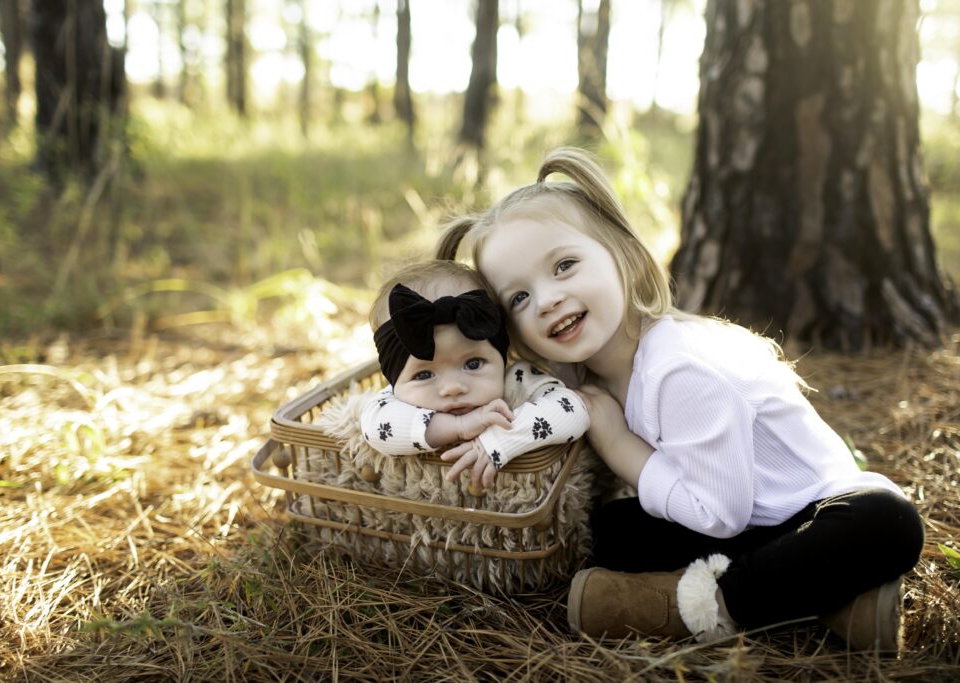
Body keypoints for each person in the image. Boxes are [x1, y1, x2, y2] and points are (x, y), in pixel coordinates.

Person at [434, 148, 924, 651]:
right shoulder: (589, 371)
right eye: (519, 298)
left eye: (564, 265)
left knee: (890, 519)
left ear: (620, 254)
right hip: (748, 524)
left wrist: (619, 444)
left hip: (813, 512)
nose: (547, 299)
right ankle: (839, 605)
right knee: (614, 532)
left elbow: (721, 515)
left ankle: (694, 606)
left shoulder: (679, 369)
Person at [361, 259, 589, 490]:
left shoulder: (515, 381)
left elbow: (574, 410)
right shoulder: (396, 403)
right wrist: (458, 426)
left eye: (473, 364)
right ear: (393, 378)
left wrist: (501, 440)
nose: (453, 387)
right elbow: (373, 427)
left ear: (502, 357)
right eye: (423, 375)